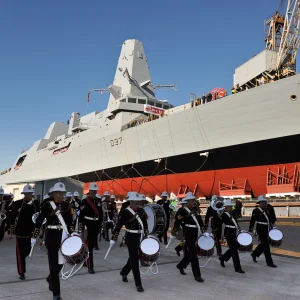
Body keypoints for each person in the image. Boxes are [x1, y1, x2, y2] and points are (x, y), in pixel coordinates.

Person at [32, 182, 73, 300]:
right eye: (58, 193)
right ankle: (56, 294)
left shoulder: (67, 206)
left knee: (62, 262)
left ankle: (50, 278)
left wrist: (72, 234)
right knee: (53, 263)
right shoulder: (47, 205)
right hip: (51, 236)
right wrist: (34, 236)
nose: (61, 195)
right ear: (53, 194)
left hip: (64, 236)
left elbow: (70, 222)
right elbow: (39, 220)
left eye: (62, 193)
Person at [111, 192, 148, 292]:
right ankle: (138, 284)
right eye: (134, 201)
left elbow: (145, 224)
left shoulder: (141, 211)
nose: (137, 202)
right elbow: (118, 226)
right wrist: (113, 238)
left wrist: (146, 235)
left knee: (134, 257)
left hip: (139, 236)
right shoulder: (125, 212)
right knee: (135, 259)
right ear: (130, 201)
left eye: (137, 200)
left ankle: (124, 272)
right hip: (130, 237)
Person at [170, 192, 205, 282]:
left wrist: (203, 229)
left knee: (191, 253)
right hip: (188, 233)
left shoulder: (195, 209)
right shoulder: (182, 210)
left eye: (194, 200)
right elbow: (178, 221)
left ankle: (181, 265)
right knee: (193, 254)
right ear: (187, 201)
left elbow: (199, 220)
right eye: (192, 200)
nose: (194, 202)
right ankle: (197, 275)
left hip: (196, 233)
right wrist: (174, 232)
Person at [10, 184, 39, 280]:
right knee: (20, 254)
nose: (28, 196)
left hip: (31, 232)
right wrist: (11, 229)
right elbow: (12, 216)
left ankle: (22, 265)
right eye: (27, 194)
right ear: (24, 194)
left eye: (30, 194)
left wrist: (38, 229)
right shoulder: (18, 203)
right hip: (20, 233)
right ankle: (22, 272)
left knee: (27, 251)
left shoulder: (36, 204)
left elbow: (38, 218)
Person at [79, 183, 103, 274]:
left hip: (95, 225)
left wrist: (100, 224)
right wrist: (81, 227)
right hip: (87, 226)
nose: (93, 192)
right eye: (92, 191)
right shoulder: (85, 201)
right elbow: (81, 215)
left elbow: (100, 214)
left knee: (91, 245)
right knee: (89, 246)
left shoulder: (99, 201)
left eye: (95, 191)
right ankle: (90, 266)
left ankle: (85, 259)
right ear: (89, 191)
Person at [249, 195, 277, 268]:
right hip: (260, 228)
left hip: (267, 228)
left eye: (265, 202)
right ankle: (269, 262)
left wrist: (272, 225)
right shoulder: (256, 210)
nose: (264, 203)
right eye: (263, 202)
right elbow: (252, 220)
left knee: (264, 243)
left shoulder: (269, 208)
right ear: (260, 203)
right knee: (266, 245)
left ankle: (254, 254)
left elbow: (272, 218)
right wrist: (250, 229)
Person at [218, 199, 245, 273]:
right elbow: (221, 222)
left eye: (230, 206)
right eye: (228, 207)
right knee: (234, 250)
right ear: (225, 207)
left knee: (235, 247)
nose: (230, 208)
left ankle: (223, 258)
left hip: (234, 232)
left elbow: (235, 222)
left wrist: (239, 230)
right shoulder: (224, 214)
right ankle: (237, 268)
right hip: (229, 233)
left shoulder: (233, 213)